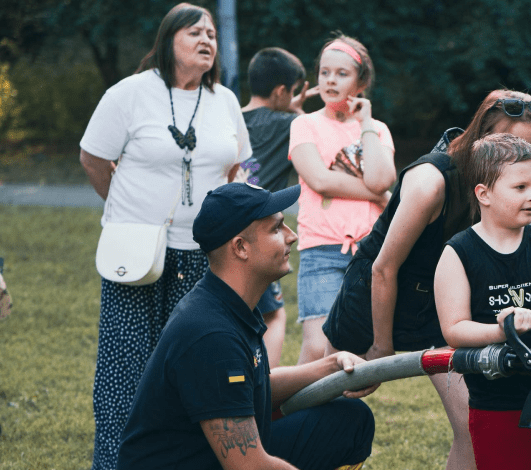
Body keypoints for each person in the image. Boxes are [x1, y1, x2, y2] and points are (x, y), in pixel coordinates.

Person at [322, 89, 531, 470]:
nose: (524, 159)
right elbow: (383, 268)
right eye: (513, 145)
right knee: (323, 402)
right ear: (483, 137)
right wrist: (381, 349)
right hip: (374, 295)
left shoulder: (511, 188)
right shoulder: (430, 182)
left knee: (475, 427)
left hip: (440, 304)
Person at [79, 4, 251, 468]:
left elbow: (236, 167)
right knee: (125, 369)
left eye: (211, 33)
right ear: (168, 40)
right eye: (195, 32)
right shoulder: (129, 94)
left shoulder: (224, 101)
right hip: (137, 254)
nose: (207, 40)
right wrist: (125, 210)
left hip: (204, 255)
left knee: (195, 367)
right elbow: (93, 159)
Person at [117, 183, 376, 470]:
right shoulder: (211, 335)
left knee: (349, 421)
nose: (291, 236)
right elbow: (249, 467)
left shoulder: (227, 303)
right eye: (276, 229)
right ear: (240, 247)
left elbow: (253, 388)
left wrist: (331, 367)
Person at [434, 133, 531, 470]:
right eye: (520, 187)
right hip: (497, 410)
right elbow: (454, 329)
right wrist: (500, 330)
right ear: (484, 194)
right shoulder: (458, 254)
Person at [289, 34, 395, 364]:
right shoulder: (304, 124)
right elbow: (320, 180)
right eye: (324, 72)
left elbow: (382, 178)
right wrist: (382, 197)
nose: (330, 80)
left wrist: (365, 124)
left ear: (361, 83)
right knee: (318, 346)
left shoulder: (377, 129)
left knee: (354, 350)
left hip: (369, 252)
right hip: (321, 248)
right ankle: (287, 398)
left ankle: (342, 402)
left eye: (341, 73)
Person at [237, 47, 318, 368]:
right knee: (273, 315)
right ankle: (264, 382)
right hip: (260, 233)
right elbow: (315, 144)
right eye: (293, 91)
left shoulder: (231, 119)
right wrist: (296, 114)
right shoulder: (291, 125)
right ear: (281, 91)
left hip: (224, 232)